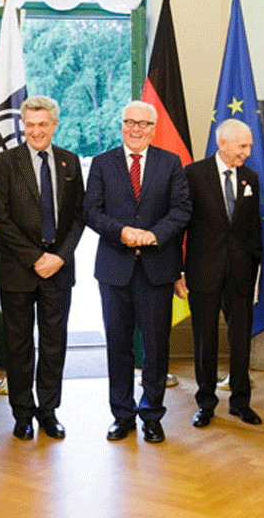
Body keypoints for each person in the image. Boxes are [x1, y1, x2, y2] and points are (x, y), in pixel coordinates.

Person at [83, 101, 191, 443]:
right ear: (122, 125)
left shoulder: (170, 163)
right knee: (118, 345)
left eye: (143, 123)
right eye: (129, 122)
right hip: (115, 269)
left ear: (153, 128)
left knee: (157, 346)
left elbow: (182, 209)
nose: (135, 128)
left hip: (157, 269)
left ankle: (152, 415)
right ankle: (122, 415)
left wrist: (154, 234)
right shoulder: (102, 163)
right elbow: (91, 211)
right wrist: (122, 232)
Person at [0, 96, 84, 441]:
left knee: (54, 343)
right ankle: (22, 413)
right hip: (19, 268)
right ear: (23, 127)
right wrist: (34, 258)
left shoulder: (70, 162)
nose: (36, 131)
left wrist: (59, 256)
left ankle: (48, 410)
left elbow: (79, 216)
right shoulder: (5, 163)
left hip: (59, 267)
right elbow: (1, 219)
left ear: (54, 125)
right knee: (17, 345)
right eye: (29, 125)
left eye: (42, 124)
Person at [175, 118, 263, 428]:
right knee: (205, 340)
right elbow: (181, 226)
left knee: (241, 340)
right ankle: (206, 403)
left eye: (249, 145)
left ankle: (241, 403)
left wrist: (255, 270)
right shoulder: (194, 174)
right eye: (243, 146)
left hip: (240, 275)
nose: (248, 152)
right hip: (203, 272)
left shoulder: (250, 177)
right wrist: (178, 270)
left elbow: (253, 231)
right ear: (222, 143)